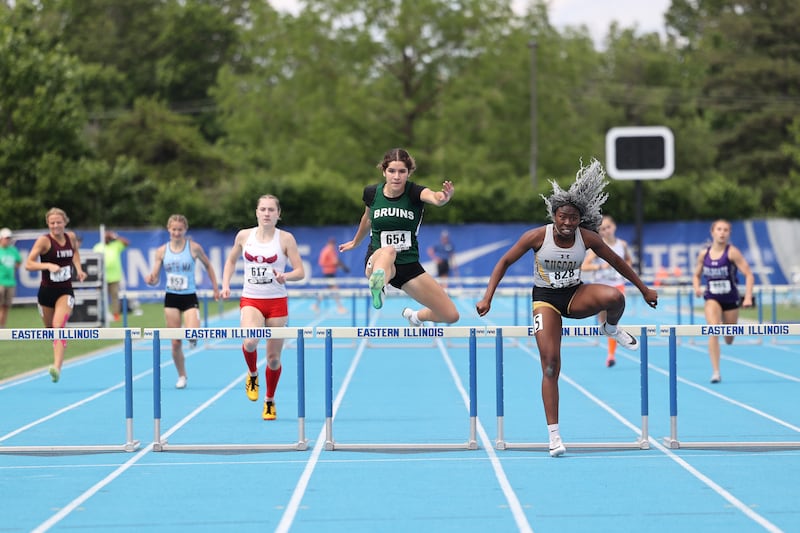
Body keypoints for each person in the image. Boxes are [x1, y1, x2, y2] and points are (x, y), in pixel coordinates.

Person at [476, 159, 658, 457]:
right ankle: (554, 436)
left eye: (573, 219)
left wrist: (643, 288)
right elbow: (504, 261)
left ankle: (609, 327)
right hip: (545, 300)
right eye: (563, 217)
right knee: (550, 364)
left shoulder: (587, 238)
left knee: (615, 298)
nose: (568, 224)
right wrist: (488, 297)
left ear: (579, 219)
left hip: (574, 295)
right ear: (554, 215)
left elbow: (616, 262)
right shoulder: (537, 236)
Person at [338, 148, 460, 327]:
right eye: (392, 171)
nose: (396, 176)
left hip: (408, 265)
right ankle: (379, 285)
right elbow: (367, 219)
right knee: (388, 250)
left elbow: (435, 197)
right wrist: (356, 242)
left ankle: (416, 317)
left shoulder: (415, 193)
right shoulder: (372, 193)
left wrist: (444, 197)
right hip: (379, 259)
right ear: (384, 171)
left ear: (409, 173)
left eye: (402, 171)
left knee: (450, 315)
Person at [220, 195, 305, 420]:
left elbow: (300, 271)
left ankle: (269, 400)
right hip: (252, 299)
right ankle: (252, 374)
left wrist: (284, 276)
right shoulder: (244, 236)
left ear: (279, 214)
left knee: (274, 359)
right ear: (256, 212)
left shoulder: (286, 239)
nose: (267, 213)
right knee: (249, 341)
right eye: (263, 209)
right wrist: (225, 284)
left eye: (271, 210)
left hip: (277, 302)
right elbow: (230, 261)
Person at [145, 214, 219, 389]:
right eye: (173, 229)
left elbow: (208, 265)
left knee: (193, 333)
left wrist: (215, 288)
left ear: (185, 230)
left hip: (189, 296)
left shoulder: (193, 248)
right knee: (175, 342)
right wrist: (152, 279)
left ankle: (192, 337)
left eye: (180, 230)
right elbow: (155, 275)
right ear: (168, 229)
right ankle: (182, 375)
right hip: (171, 297)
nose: (176, 233)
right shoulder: (162, 251)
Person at [24, 208, 88, 382]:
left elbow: (74, 252)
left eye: (58, 222)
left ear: (65, 222)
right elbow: (28, 264)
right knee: (51, 331)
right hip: (46, 293)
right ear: (48, 224)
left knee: (58, 326)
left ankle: (57, 367)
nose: (55, 226)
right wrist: (47, 266)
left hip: (65, 291)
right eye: (52, 223)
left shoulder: (71, 237)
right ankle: (57, 356)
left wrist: (79, 270)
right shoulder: (44, 241)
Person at [692, 219, 754, 384]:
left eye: (726, 230)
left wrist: (747, 297)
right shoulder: (704, 254)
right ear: (713, 232)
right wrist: (697, 287)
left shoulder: (732, 252)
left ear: (729, 234)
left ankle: (727, 337)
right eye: (719, 229)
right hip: (712, 298)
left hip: (731, 299)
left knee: (729, 338)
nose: (722, 232)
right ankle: (716, 372)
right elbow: (696, 275)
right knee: (713, 329)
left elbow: (749, 274)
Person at [580, 215, 633, 367]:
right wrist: (599, 267)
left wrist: (624, 268)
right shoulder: (598, 247)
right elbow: (584, 266)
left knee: (612, 321)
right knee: (603, 321)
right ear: (600, 232)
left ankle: (611, 355)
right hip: (601, 286)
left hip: (617, 285)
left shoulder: (622, 245)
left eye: (608, 227)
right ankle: (607, 331)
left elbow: (628, 260)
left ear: (614, 227)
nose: (606, 231)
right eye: (603, 229)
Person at [93, 230, 130, 322]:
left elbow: (126, 243)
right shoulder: (98, 247)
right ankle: (101, 314)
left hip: (114, 277)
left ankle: (116, 315)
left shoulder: (116, 245)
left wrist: (115, 237)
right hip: (101, 277)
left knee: (115, 297)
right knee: (101, 297)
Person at [312, 236, 349, 314]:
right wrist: (342, 266)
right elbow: (322, 262)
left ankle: (316, 306)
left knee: (326, 291)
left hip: (331, 273)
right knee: (335, 290)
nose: (332, 245)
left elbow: (335, 261)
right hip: (328, 273)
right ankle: (340, 308)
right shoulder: (326, 251)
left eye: (333, 244)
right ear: (328, 243)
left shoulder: (332, 251)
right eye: (331, 244)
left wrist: (340, 266)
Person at [0, 228, 23, 328]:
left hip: (11, 282)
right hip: (0, 282)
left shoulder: (13, 250)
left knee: (6, 306)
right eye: (6, 238)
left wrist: (14, 268)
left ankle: (2, 327)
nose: (7, 240)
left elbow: (19, 261)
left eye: (9, 238)